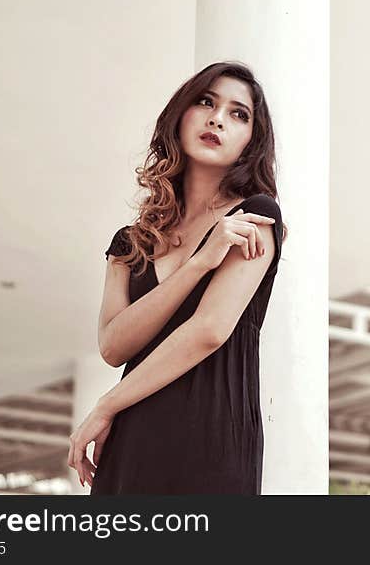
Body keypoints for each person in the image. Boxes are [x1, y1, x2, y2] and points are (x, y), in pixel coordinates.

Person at [67, 61, 287, 494]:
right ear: (180, 116)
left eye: (238, 113)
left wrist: (105, 407)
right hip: (132, 437)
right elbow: (114, 346)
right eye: (205, 102)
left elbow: (209, 331)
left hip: (211, 440)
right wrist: (200, 263)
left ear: (249, 142)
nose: (217, 118)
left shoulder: (255, 217)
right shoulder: (131, 243)